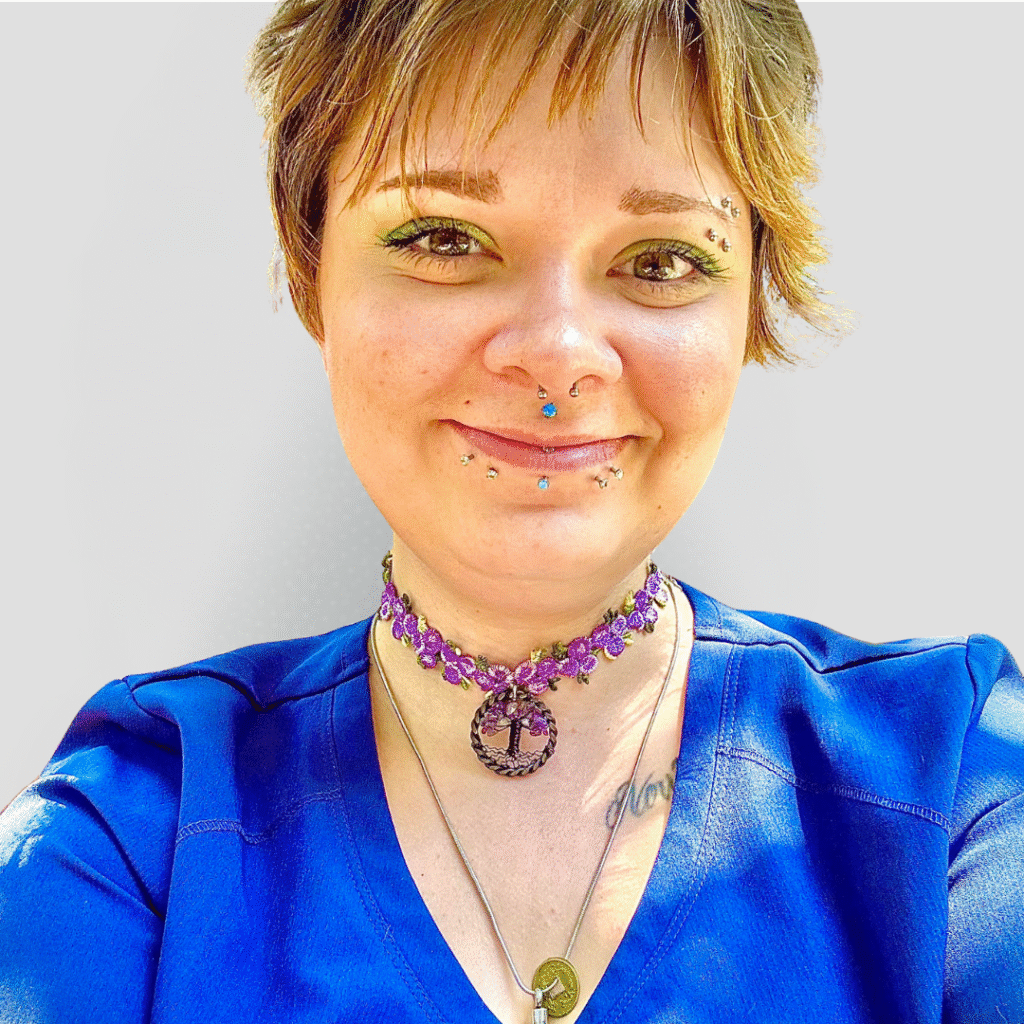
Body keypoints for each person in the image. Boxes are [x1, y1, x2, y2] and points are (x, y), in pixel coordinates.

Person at [1, 1, 1022, 1022]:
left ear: (749, 299)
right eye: (445, 238)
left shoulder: (954, 779)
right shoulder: (135, 825)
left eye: (661, 260)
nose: (556, 351)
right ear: (314, 273)